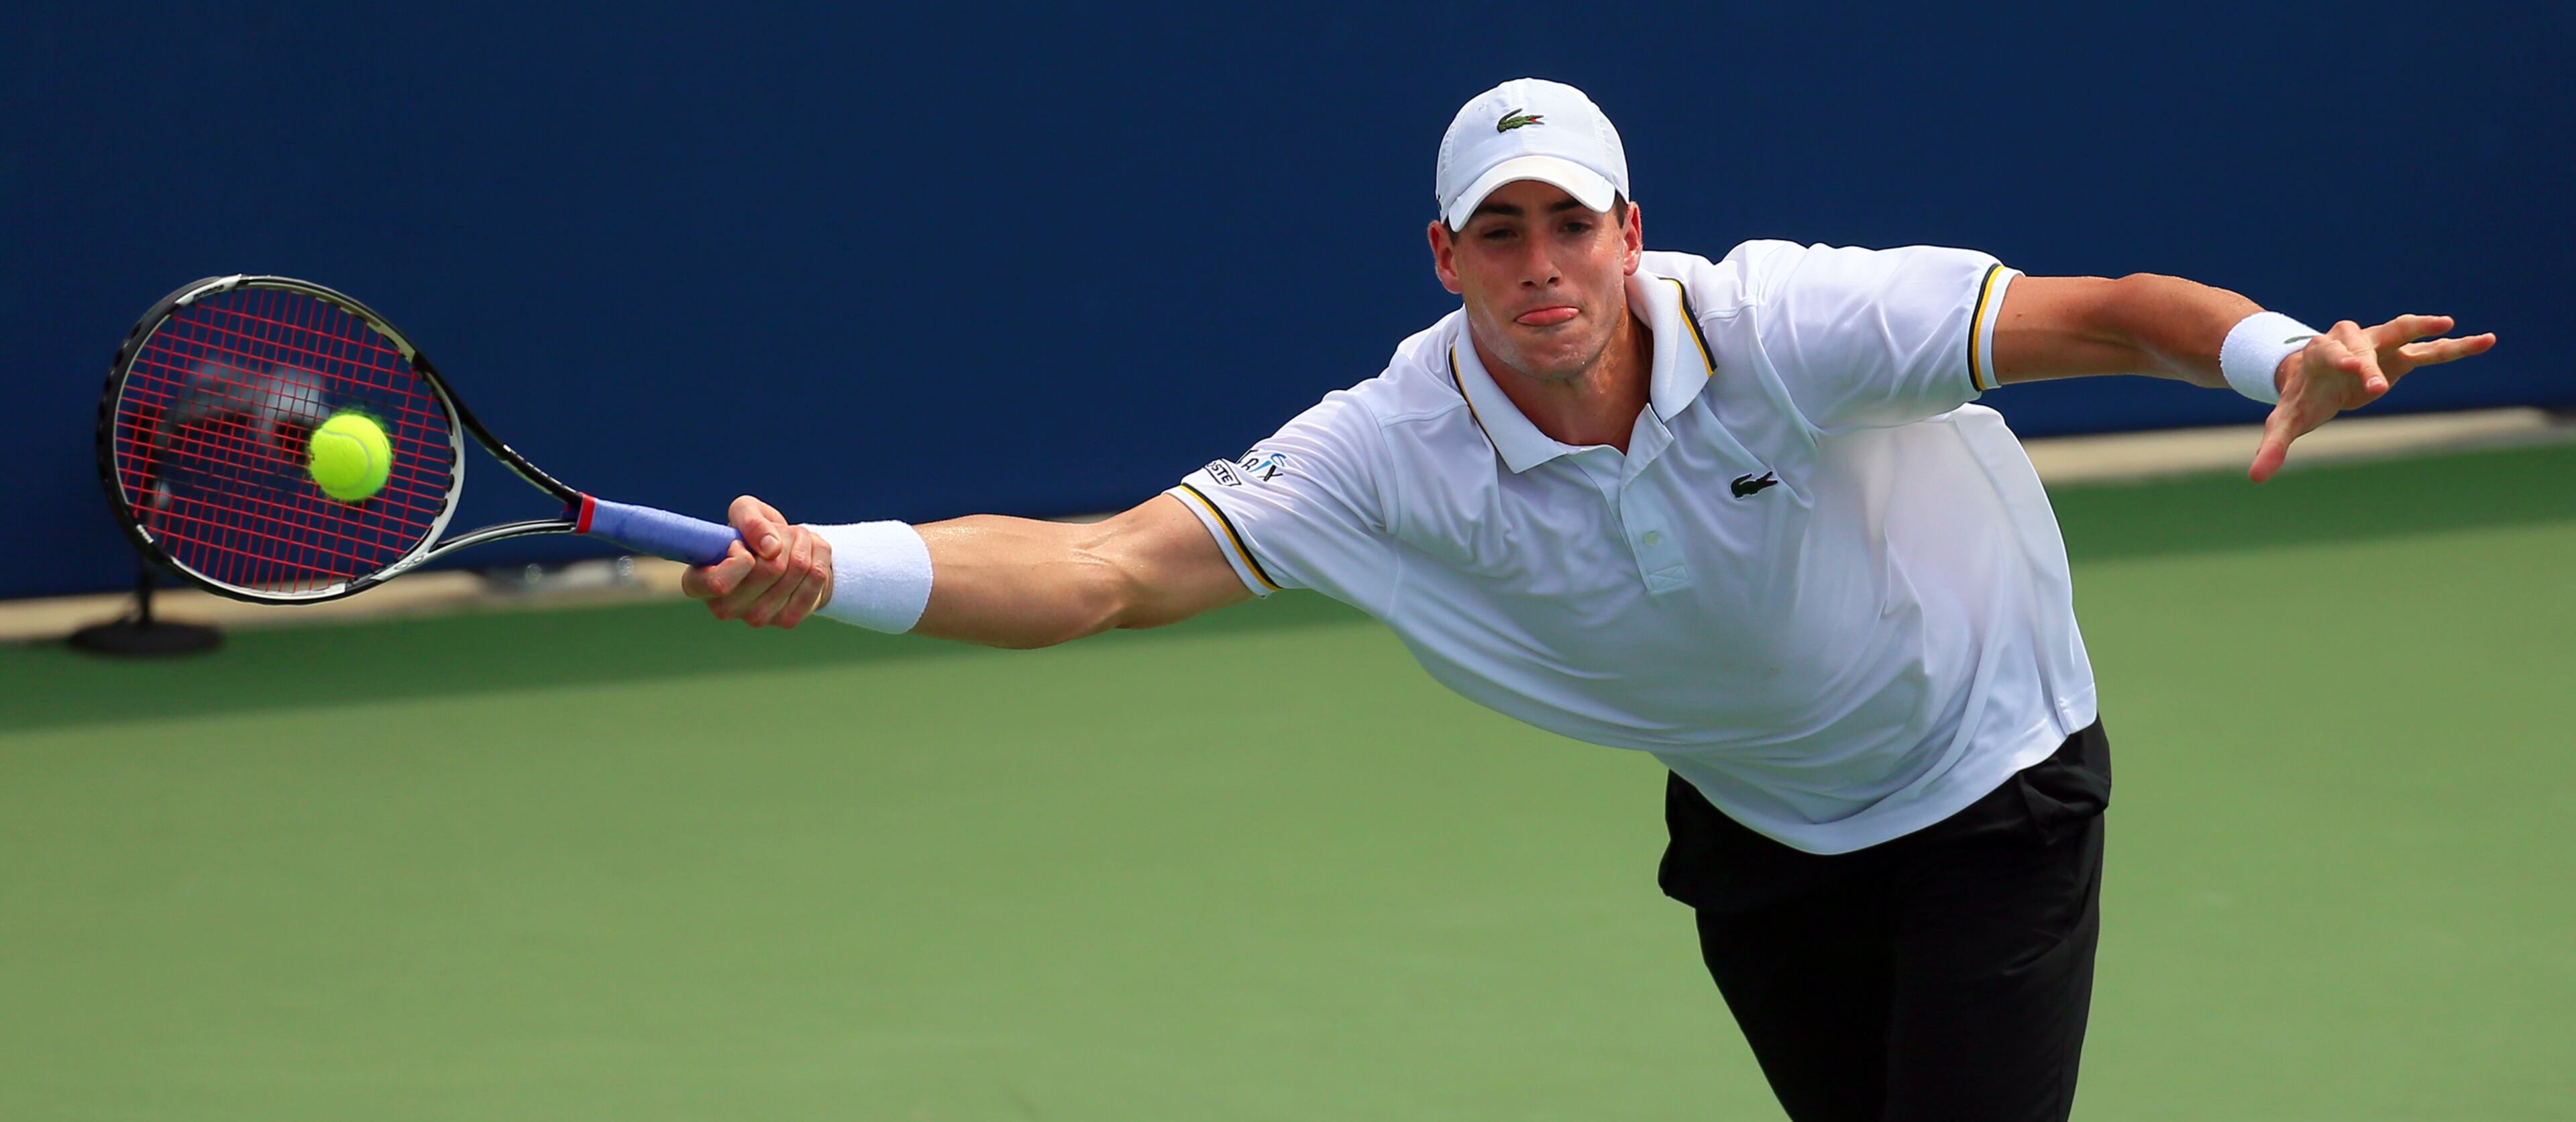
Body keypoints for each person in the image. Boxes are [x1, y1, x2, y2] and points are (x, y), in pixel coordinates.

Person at [680, 79, 2494, 1121]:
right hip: (1763, 823)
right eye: (1501, 234)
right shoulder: (1388, 443)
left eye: (1572, 227)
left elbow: (2099, 313)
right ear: (1446, 255)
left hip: (1987, 775)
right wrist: (837, 571)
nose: (1541, 267)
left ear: (1632, 232)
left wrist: (2276, 357)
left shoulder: (1787, 322)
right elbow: (1101, 570)